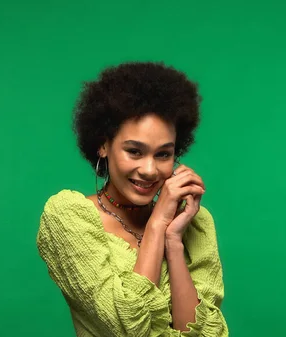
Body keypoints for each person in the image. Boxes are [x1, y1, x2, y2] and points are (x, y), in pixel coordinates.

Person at [36, 61, 228, 336]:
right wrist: (156, 224)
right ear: (103, 145)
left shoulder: (195, 223)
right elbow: (125, 327)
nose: (150, 170)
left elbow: (208, 334)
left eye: (163, 154)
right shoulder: (69, 216)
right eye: (134, 151)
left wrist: (173, 242)